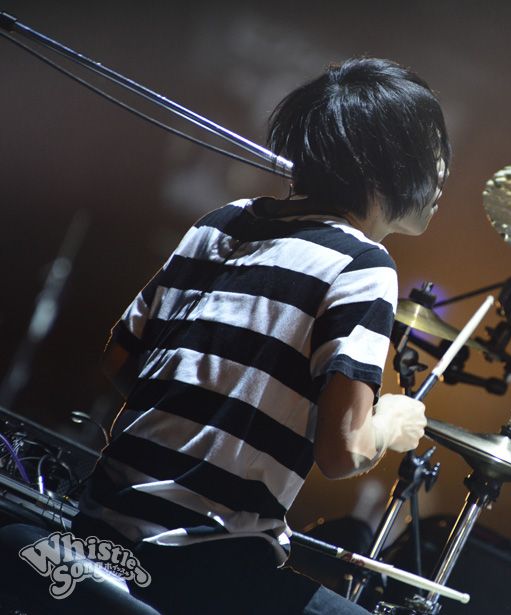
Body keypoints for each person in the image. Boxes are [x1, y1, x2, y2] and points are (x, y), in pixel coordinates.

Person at [73, 57, 451, 614]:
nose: (442, 174)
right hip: (197, 566)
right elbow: (343, 452)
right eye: (435, 152)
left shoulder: (221, 221)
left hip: (97, 529)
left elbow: (119, 360)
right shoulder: (363, 267)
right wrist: (390, 423)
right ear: (390, 161)